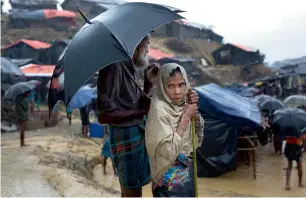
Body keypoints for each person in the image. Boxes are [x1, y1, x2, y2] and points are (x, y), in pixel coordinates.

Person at [97, 34, 199, 197]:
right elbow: (104, 116)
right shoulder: (114, 66)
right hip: (126, 137)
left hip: (135, 135)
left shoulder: (126, 67)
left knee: (132, 190)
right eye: (147, 46)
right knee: (132, 192)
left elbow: (132, 104)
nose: (148, 50)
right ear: (137, 47)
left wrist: (148, 83)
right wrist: (143, 111)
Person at [145, 63, 204, 197]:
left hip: (186, 173)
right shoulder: (159, 109)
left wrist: (194, 113)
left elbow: (197, 139)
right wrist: (185, 119)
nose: (177, 91)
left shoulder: (183, 103)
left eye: (181, 85)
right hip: (167, 180)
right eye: (170, 86)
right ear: (162, 86)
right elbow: (168, 152)